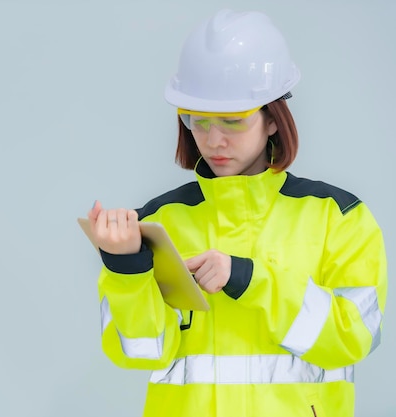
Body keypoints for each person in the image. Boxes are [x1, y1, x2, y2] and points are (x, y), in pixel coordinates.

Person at [86, 9, 387, 417]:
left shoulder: (338, 218)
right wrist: (125, 269)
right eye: (198, 121)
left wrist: (251, 279)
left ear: (272, 120)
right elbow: (140, 354)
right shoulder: (160, 223)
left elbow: (353, 338)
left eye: (232, 120)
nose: (213, 139)